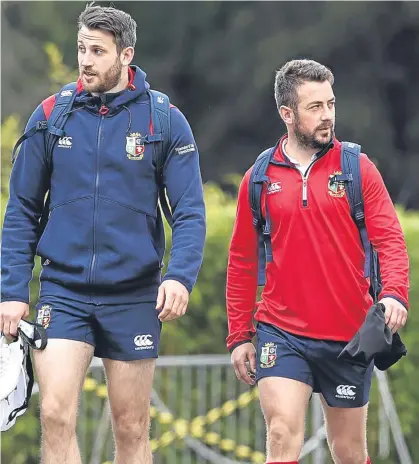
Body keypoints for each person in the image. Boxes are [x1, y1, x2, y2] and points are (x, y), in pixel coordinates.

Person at [1, 4, 206, 463]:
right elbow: (21, 213)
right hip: (64, 291)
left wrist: (179, 277)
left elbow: (190, 212)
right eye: (81, 49)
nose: (86, 60)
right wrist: (13, 291)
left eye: (98, 51)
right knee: (54, 414)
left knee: (131, 427)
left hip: (134, 296)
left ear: (126, 55)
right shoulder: (52, 116)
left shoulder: (163, 121)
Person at [226, 59, 409, 464]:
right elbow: (241, 260)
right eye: (315, 107)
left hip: (348, 336)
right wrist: (239, 334)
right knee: (280, 433)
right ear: (287, 114)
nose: (328, 116)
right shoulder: (258, 178)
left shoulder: (358, 169)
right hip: (281, 331)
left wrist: (394, 294)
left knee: (348, 451)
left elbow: (390, 241)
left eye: (331, 103)